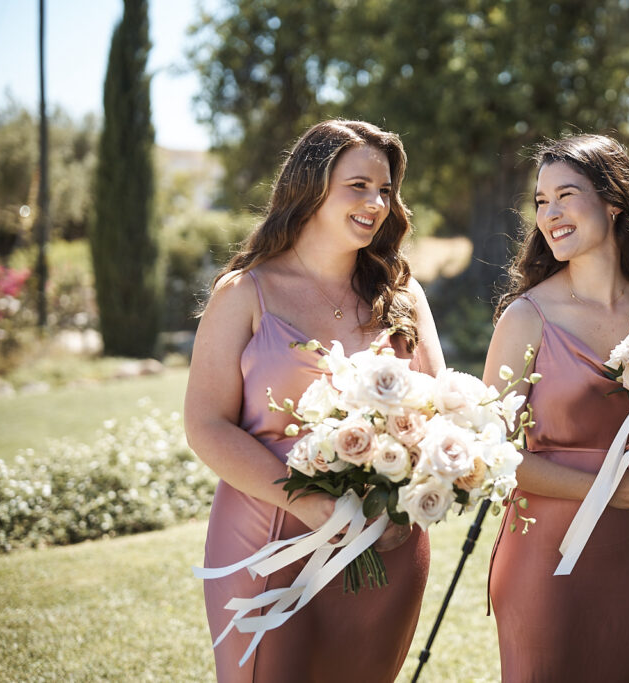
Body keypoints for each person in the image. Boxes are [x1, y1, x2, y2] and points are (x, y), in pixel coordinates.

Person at [184, 120, 444, 682]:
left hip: (387, 542)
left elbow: (441, 413)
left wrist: (407, 500)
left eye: (385, 190)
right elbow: (206, 423)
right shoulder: (245, 292)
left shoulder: (401, 294)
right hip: (268, 538)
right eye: (358, 185)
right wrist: (305, 503)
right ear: (311, 186)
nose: (376, 202)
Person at [485, 134, 629, 682]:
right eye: (540, 201)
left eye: (566, 196)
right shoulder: (527, 317)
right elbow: (492, 455)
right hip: (546, 555)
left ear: (613, 202)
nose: (549, 214)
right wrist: (604, 489)